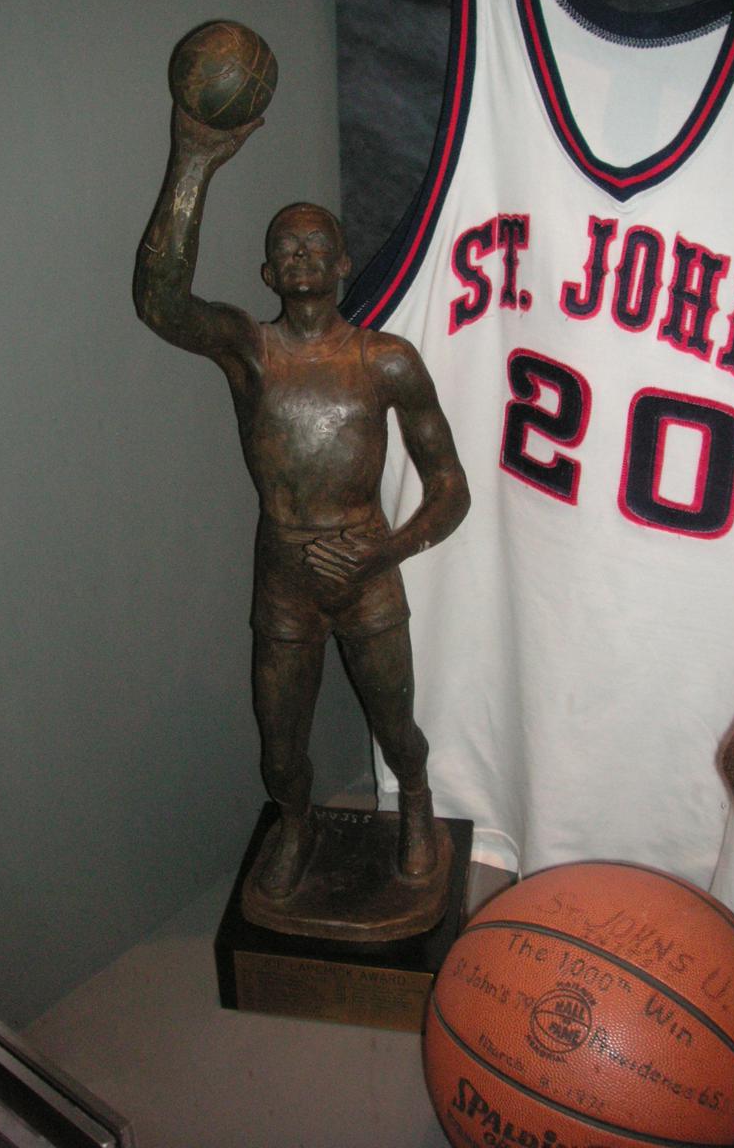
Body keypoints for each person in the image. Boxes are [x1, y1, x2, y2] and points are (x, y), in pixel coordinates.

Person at [134, 106, 469, 901]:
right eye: (287, 247)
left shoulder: (386, 360)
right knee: (280, 747)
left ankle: (415, 801)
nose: (303, 254)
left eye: (318, 244)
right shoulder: (251, 352)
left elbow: (450, 487)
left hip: (367, 569)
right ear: (268, 274)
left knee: (396, 726)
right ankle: (295, 822)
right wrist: (193, 162)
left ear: (344, 262)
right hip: (284, 574)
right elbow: (160, 302)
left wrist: (385, 550)